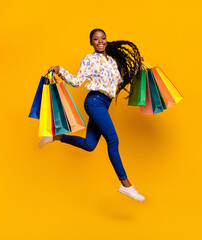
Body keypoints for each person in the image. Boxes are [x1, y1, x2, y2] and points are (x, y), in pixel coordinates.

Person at [39, 28, 145, 201]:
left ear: (106, 40)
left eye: (103, 38)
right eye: (96, 39)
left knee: (89, 145)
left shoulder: (112, 61)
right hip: (94, 102)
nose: (100, 41)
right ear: (91, 42)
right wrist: (60, 70)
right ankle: (126, 185)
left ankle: (57, 137)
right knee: (113, 140)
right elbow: (76, 81)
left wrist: (137, 67)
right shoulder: (89, 59)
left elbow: (121, 80)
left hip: (104, 104)